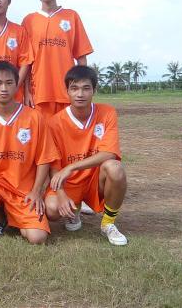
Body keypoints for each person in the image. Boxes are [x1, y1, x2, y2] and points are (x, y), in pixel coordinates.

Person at [0, 61, 57, 244]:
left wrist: (36, 191)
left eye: (9, 83)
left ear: (17, 85)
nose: (4, 88)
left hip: (24, 187)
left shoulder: (35, 117)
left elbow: (44, 158)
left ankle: (13, 216)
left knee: (37, 238)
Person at [45, 66, 128, 245]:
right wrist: (61, 194)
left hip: (95, 180)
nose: (80, 94)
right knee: (51, 209)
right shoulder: (54, 123)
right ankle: (74, 210)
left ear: (94, 90)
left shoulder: (107, 112)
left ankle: (108, 223)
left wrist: (72, 166)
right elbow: (54, 165)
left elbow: (109, 153)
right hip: (70, 182)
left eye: (86, 88)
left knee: (115, 168)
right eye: (74, 88)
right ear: (67, 91)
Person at [22, 0, 93, 119]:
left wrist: (81, 89)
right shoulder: (29, 21)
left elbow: (81, 57)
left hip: (67, 91)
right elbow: (25, 62)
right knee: (42, 133)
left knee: (68, 132)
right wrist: (26, 91)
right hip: (40, 92)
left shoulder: (71, 16)